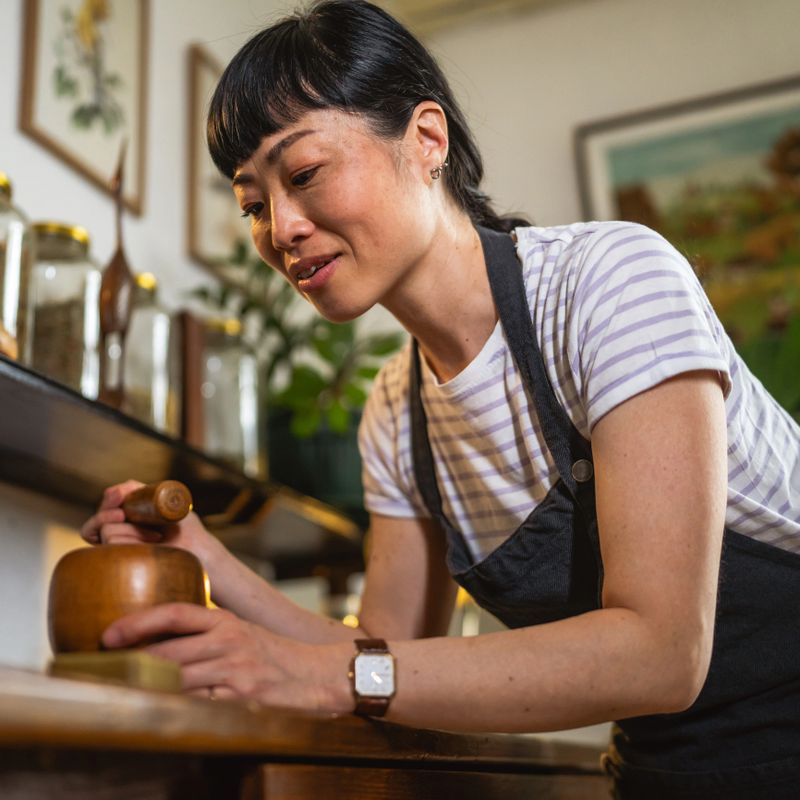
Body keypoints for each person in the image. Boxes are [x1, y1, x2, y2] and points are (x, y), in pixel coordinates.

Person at [80, 1, 800, 797]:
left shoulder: (609, 282)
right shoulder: (398, 410)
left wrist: (330, 676)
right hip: (666, 775)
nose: (280, 228)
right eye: (253, 204)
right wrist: (207, 561)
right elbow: (386, 655)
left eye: (305, 174)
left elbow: (661, 652)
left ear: (426, 139)